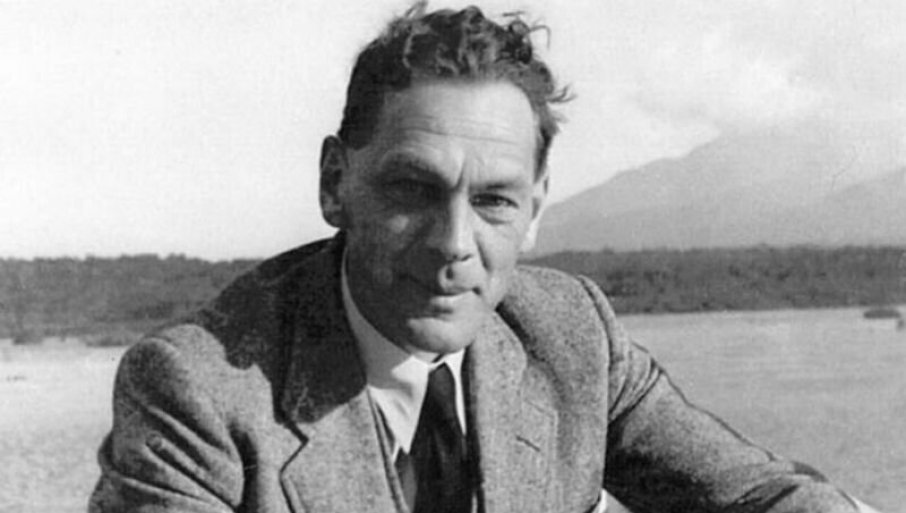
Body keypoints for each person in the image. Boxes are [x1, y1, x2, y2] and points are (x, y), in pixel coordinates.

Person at [90, 4, 879, 512]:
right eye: (412, 190)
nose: (453, 243)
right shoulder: (197, 392)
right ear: (335, 184)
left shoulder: (571, 333)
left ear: (535, 209)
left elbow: (761, 494)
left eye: (494, 200)